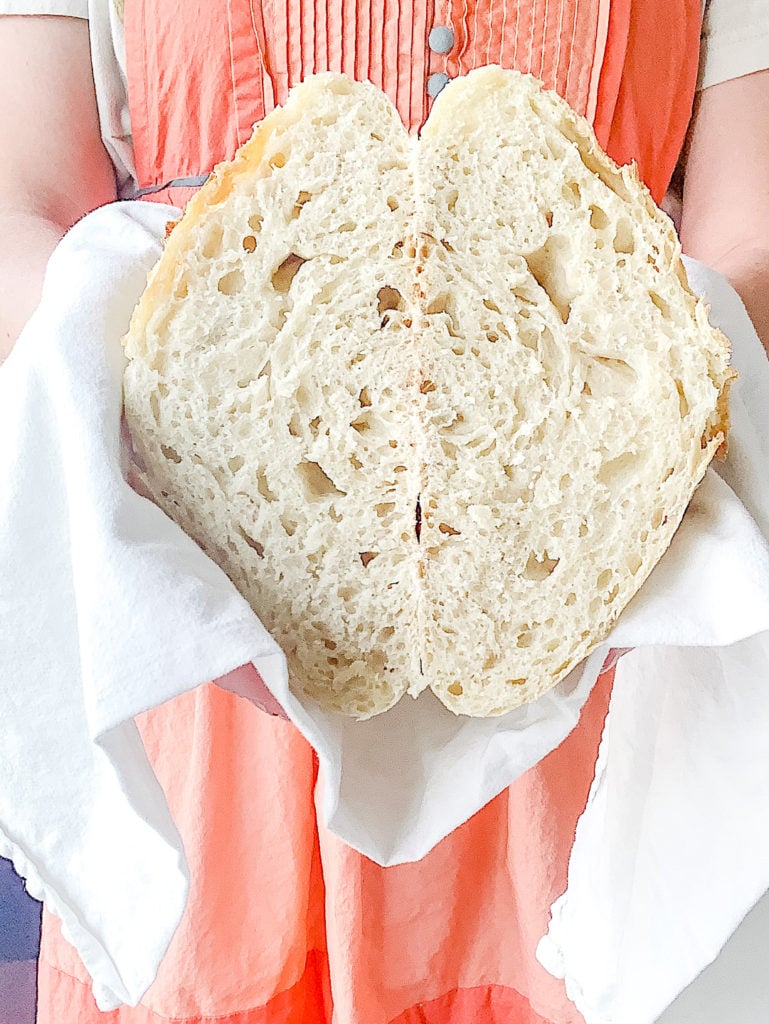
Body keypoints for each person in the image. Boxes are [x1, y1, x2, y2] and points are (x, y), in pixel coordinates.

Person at [0, 3, 767, 1023]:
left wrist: (630, 486)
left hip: (590, 683)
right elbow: (23, 205)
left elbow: (747, 242)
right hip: (204, 653)